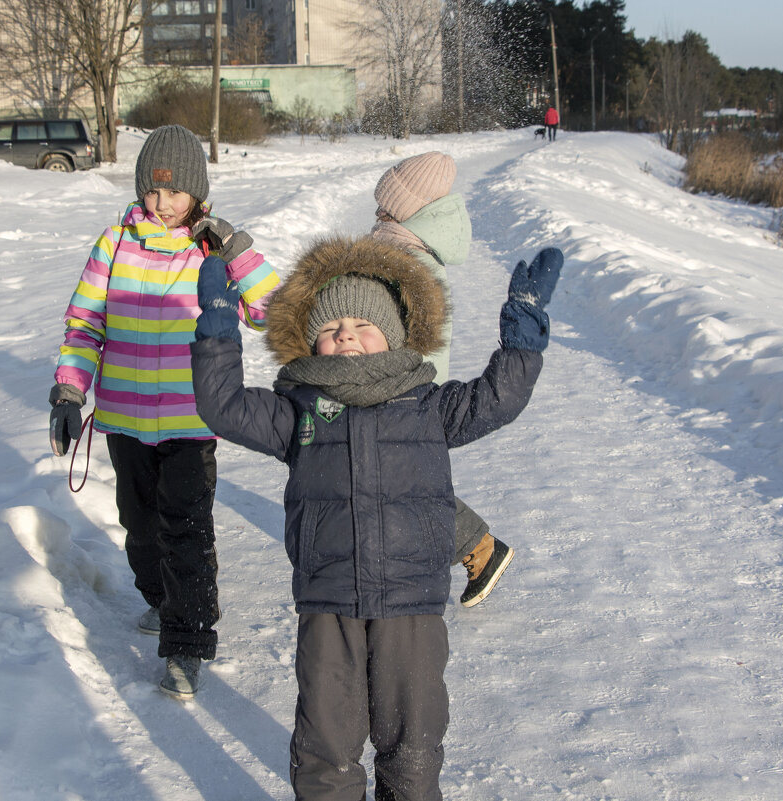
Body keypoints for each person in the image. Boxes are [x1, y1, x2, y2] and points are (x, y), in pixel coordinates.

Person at [190, 234, 563, 800]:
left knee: (412, 745)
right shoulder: (297, 411)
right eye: (332, 327)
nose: (346, 334)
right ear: (310, 342)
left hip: (411, 604)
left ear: (393, 336)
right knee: (325, 747)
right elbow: (224, 406)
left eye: (362, 325)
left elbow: (499, 398)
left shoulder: (429, 406)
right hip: (329, 602)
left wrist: (523, 334)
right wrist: (217, 333)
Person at [47, 124, 280, 700]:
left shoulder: (213, 249)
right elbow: (85, 324)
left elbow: (271, 310)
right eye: (152, 192)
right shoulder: (114, 243)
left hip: (191, 418)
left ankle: (187, 643)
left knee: (186, 530)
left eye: (175, 193)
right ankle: (161, 599)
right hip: (124, 417)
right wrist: (70, 392)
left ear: (196, 192)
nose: (162, 204)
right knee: (140, 526)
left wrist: (237, 251)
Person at [370, 151, 513, 607]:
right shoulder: (398, 249)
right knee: (395, 481)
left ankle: (479, 547)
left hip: (405, 390)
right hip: (391, 384)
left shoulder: (414, 264)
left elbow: (415, 341)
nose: (378, 212)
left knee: (403, 483)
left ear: (410, 211)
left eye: (387, 205)